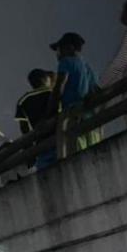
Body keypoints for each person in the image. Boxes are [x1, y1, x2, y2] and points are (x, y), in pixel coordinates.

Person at [46, 32, 102, 160]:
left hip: (72, 116)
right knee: (93, 156)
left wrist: (49, 114)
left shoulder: (66, 62)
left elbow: (59, 88)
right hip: (90, 117)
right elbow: (96, 90)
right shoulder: (88, 67)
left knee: (73, 157)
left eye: (59, 49)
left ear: (70, 48)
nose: (57, 54)